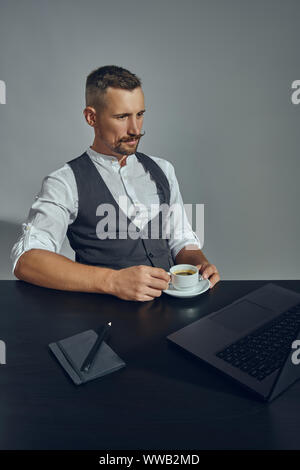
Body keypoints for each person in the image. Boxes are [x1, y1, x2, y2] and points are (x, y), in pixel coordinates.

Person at [11, 65, 220, 301]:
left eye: (140, 114)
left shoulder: (163, 169)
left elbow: (181, 238)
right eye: (122, 117)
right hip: (105, 319)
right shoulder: (65, 181)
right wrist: (113, 281)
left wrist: (199, 263)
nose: (135, 129)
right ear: (91, 117)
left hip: (172, 311)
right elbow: (27, 261)